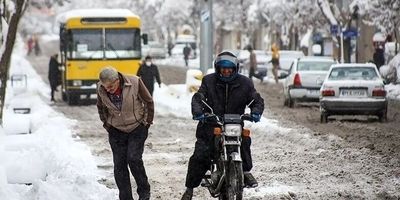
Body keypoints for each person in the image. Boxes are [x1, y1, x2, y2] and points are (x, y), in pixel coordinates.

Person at [181, 51, 265, 200]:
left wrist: (256, 112)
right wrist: (199, 112)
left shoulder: (245, 83)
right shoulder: (209, 81)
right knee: (201, 154)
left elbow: (256, 100)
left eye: (229, 68)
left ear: (235, 68)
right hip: (211, 125)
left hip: (234, 124)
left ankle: (244, 172)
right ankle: (189, 189)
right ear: (217, 68)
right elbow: (199, 97)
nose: (226, 71)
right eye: (223, 68)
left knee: (245, 140)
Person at [96, 66, 153, 200]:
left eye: (110, 87)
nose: (108, 90)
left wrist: (147, 122)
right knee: (119, 165)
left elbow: (148, 101)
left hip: (137, 127)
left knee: (134, 159)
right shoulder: (101, 88)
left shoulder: (135, 82)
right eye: (105, 87)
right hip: (116, 131)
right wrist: (107, 124)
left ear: (117, 80)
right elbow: (100, 107)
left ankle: (144, 192)